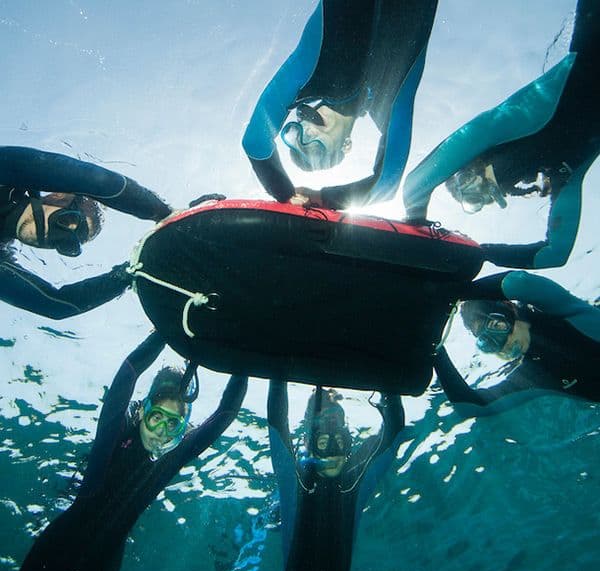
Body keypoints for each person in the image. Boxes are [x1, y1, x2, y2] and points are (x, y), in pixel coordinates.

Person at [8, 332, 247, 571]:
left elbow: (225, 415)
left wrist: (242, 359)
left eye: (172, 424)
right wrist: (165, 331)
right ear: (143, 412)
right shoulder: (116, 433)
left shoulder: (172, 458)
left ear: (182, 429)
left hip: (104, 563)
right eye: (156, 417)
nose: (160, 431)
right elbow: (126, 375)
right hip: (58, 544)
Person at [403, 0, 600, 268]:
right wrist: (479, 252)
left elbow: (415, 186)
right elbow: (554, 255)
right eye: (477, 201)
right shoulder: (565, 172)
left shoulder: (516, 118)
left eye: (469, 187)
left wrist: (415, 229)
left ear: (477, 159)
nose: (484, 195)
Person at [243, 0, 438, 210]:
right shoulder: (389, 108)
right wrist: (323, 198)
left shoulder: (309, 78)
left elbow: (255, 142)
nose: (306, 131)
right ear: (346, 145)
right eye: (315, 149)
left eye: (296, 133)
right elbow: (386, 185)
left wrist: (286, 195)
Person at [267, 382, 405, 571]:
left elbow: (393, 431)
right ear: (308, 442)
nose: (332, 452)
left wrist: (278, 372)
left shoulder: (352, 481)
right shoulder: (298, 482)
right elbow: (277, 422)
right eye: (322, 442)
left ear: (347, 441)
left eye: (339, 441)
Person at [0, 146, 172, 318]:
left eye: (66, 243)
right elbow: (93, 181)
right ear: (57, 196)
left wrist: (130, 273)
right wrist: (165, 214)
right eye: (67, 222)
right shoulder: (6, 170)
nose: (53, 238)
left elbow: (56, 305)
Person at [434, 271, 600, 411]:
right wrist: (435, 348)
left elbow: (521, 282)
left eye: (496, 326)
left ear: (510, 307)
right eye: (488, 342)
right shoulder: (535, 375)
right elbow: (474, 407)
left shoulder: (561, 315)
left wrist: (454, 293)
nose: (503, 345)